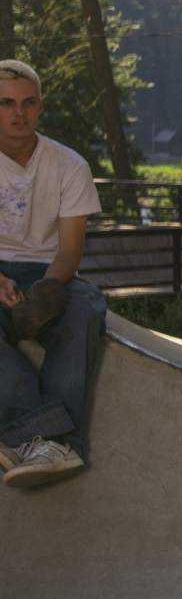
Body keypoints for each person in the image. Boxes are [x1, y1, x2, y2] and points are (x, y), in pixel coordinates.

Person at [0, 59, 106, 488]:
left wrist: (48, 288)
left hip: (47, 272)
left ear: (41, 107)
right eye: (6, 103)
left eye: (28, 102)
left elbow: (71, 248)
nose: (18, 112)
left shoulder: (69, 165)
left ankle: (45, 445)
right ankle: (48, 437)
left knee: (85, 308)